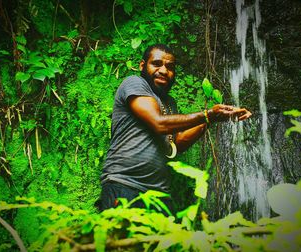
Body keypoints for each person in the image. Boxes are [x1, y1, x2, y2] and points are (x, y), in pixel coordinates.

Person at [99, 44, 251, 213]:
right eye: (156, 64)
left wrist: (212, 118)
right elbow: (159, 123)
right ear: (143, 66)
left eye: (170, 67)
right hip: (124, 184)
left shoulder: (170, 104)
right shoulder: (134, 83)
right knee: (124, 240)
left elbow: (177, 143)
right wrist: (207, 114)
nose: (164, 71)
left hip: (159, 194)